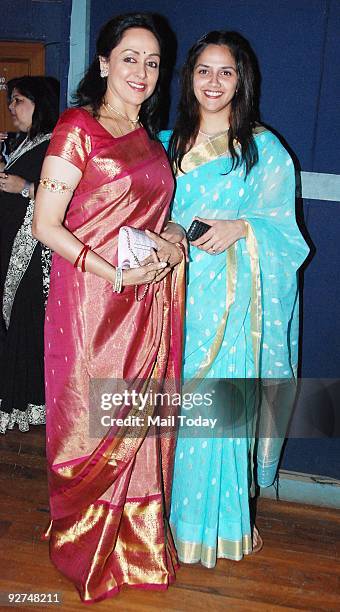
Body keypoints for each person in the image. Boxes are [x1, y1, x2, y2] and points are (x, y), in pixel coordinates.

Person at [33, 13, 185, 603]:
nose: (142, 72)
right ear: (102, 64)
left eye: (152, 62)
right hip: (93, 304)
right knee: (91, 422)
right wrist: (112, 272)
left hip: (146, 301)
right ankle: (86, 545)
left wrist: (171, 235)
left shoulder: (150, 140)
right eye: (130, 58)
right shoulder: (78, 128)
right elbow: (48, 224)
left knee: (138, 425)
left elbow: (148, 216)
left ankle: (136, 546)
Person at [160, 30, 309, 567]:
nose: (215, 82)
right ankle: (161, 526)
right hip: (169, 300)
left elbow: (286, 236)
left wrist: (243, 227)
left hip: (231, 304)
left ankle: (216, 529)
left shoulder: (262, 149)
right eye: (204, 70)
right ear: (189, 78)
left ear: (242, 80)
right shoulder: (164, 143)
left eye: (226, 72)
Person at [0, 76, 59, 434]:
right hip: (11, 250)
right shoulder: (25, 143)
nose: (11, 108)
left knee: (25, 322)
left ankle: (26, 403)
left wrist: (26, 188)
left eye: (18, 100)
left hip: (32, 255)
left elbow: (72, 196)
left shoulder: (56, 146)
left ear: (40, 104)